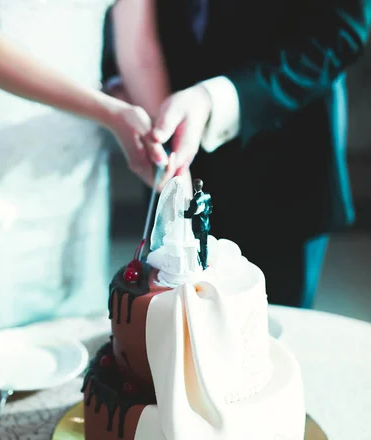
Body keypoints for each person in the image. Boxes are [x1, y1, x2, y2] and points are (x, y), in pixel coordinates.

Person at [101, 0, 371, 308]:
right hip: (165, 145)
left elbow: (340, 31)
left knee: (270, 331)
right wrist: (121, 83)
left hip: (284, 165)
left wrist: (214, 99)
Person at [0, 0, 167, 338]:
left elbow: (139, 55)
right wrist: (107, 111)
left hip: (78, 169)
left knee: (77, 339)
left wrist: (166, 145)